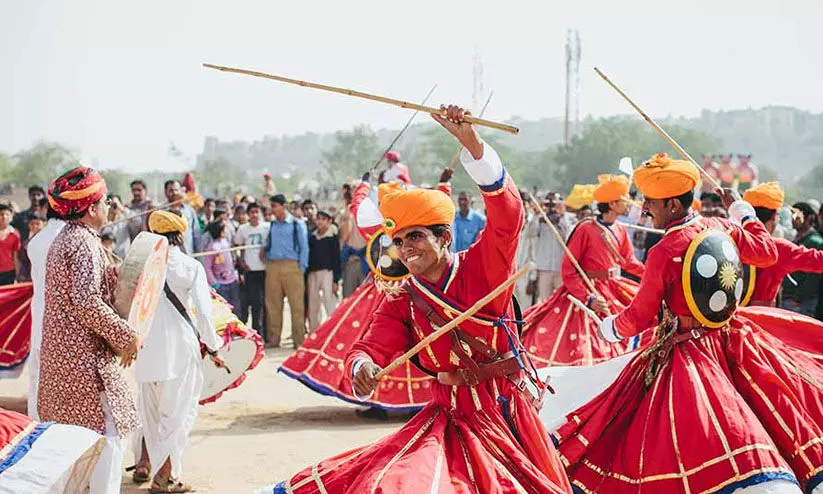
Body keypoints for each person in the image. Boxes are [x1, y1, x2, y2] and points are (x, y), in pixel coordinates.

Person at [262, 104, 572, 494]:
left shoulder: (482, 267)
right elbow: (373, 343)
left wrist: (472, 145)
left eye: (416, 237)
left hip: (504, 411)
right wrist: (362, 366)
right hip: (448, 414)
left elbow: (508, 217)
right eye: (399, 241)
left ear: (444, 238)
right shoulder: (404, 297)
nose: (406, 249)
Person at [549, 153, 823, 493]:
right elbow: (765, 252)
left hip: (690, 349)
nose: (645, 208)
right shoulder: (719, 225)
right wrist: (742, 212)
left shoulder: (665, 249)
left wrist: (609, 328)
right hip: (731, 338)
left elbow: (638, 318)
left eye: (652, 202)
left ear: (675, 205)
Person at [38, 167, 139, 494]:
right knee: (107, 444)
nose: (111, 206)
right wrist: (125, 335)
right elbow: (85, 300)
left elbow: (86, 289)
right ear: (92, 208)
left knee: (70, 450)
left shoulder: (65, 239)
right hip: (85, 365)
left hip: (61, 364)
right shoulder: (83, 243)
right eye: (106, 201)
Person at [131, 210, 225, 493]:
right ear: (180, 235)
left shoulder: (139, 266)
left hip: (145, 348)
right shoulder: (189, 266)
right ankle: (164, 478)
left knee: (149, 413)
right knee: (178, 414)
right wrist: (214, 346)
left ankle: (147, 466)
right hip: (179, 350)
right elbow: (205, 315)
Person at [521, 174, 645, 367]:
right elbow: (569, 270)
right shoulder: (585, 228)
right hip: (589, 291)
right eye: (624, 200)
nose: (629, 204)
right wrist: (589, 299)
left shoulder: (619, 228)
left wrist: (652, 274)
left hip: (613, 288)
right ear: (612, 204)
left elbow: (628, 261)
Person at [739, 183, 823, 307]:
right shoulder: (778, 248)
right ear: (774, 217)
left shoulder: (732, 238)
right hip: (760, 320)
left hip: (723, 320)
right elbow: (818, 261)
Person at [26, 206, 65, 420]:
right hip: (62, 323)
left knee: (39, 379)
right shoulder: (71, 241)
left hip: (41, 319)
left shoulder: (36, 241)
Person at [261, 193, 309, 348]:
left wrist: (301, 268)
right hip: (273, 266)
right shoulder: (273, 225)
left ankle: (298, 341)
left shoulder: (297, 224)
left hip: (292, 266)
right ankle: (274, 339)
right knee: (273, 304)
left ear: (283, 206)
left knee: (296, 306)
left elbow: (304, 248)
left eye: (274, 206)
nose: (272, 209)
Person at [527, 192, 575, 302]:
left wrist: (561, 218)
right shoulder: (540, 219)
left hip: (560, 268)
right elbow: (530, 233)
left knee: (561, 301)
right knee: (545, 301)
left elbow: (569, 239)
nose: (551, 208)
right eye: (549, 204)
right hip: (544, 268)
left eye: (554, 204)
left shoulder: (568, 219)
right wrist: (536, 214)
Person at [780, 201, 823, 317]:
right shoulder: (797, 238)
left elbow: (813, 276)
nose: (793, 219)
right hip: (789, 297)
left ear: (809, 218)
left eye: (797, 215)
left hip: (800, 302)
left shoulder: (815, 242)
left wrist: (797, 298)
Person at [234, 202, 269, 338]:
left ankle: (265, 332)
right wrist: (241, 262)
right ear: (248, 214)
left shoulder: (267, 227)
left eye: (257, 212)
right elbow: (236, 247)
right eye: (252, 212)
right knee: (254, 303)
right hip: (250, 271)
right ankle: (256, 332)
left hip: (265, 269)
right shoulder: (243, 229)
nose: (254, 215)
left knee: (264, 303)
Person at [306, 210, 341, 331]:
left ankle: (333, 331)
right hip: (313, 273)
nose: (320, 221)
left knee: (329, 303)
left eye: (323, 219)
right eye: (318, 218)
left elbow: (337, 259)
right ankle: (314, 332)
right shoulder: (312, 237)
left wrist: (336, 280)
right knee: (313, 304)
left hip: (328, 273)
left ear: (329, 221)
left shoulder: (333, 237)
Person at [202, 220, 241, 311]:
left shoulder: (226, 243)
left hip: (232, 281)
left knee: (236, 308)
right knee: (225, 309)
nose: (226, 231)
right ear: (219, 231)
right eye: (224, 229)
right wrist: (214, 283)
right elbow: (207, 267)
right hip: (221, 285)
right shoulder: (212, 248)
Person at [165, 180, 200, 254]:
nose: (174, 193)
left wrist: (198, 253)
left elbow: (196, 234)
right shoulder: (161, 212)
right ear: (166, 192)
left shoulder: (189, 210)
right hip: (169, 255)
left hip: (188, 253)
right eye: (171, 190)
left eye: (176, 190)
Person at [16, 212, 44, 282]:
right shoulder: (26, 243)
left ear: (44, 224)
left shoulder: (48, 241)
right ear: (28, 225)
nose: (34, 226)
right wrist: (22, 276)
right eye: (32, 224)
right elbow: (24, 262)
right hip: (31, 276)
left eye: (37, 224)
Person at [0, 203, 21, 285]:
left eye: (7, 215)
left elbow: (15, 257)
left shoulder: (15, 235)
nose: (4, 217)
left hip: (9, 272)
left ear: (11, 217)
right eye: (1, 214)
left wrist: (17, 275)